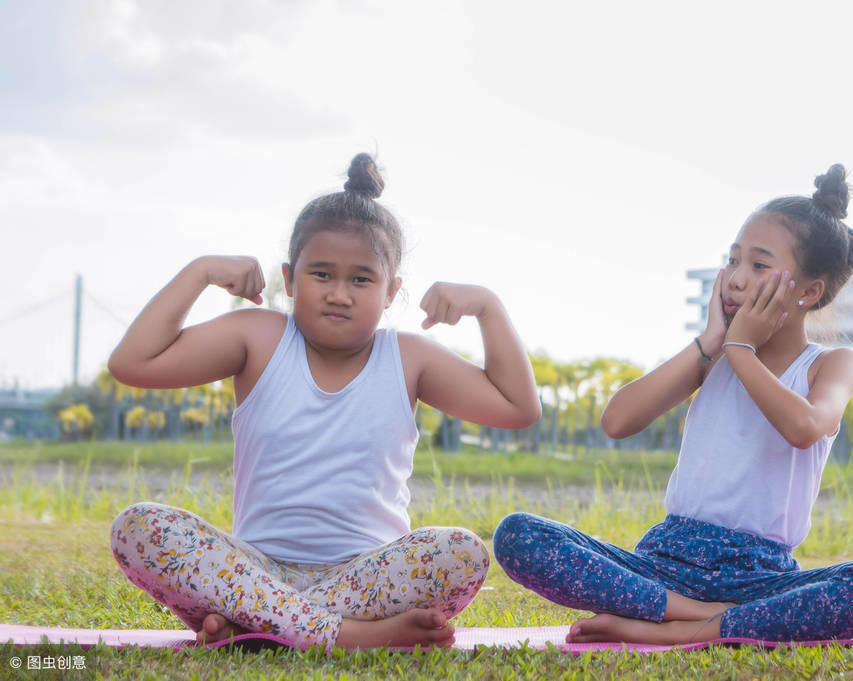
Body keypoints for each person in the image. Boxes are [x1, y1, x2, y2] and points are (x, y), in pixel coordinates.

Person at [108, 153, 541, 650]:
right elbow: (133, 363)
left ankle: (262, 627)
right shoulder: (259, 337)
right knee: (140, 527)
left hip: (365, 580)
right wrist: (201, 271)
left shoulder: (408, 358)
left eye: (361, 279)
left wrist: (487, 306)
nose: (339, 293)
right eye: (321, 275)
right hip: (254, 568)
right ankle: (342, 636)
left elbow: (517, 408)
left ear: (391, 292)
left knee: (461, 553)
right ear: (290, 281)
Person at [493, 164, 853, 645]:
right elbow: (617, 420)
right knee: (519, 536)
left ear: (810, 291)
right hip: (664, 563)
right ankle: (699, 615)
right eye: (732, 260)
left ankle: (677, 628)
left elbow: (805, 427)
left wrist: (741, 349)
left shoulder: (832, 363)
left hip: (760, 579)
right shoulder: (710, 357)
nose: (735, 278)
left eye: (758, 265)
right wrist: (713, 341)